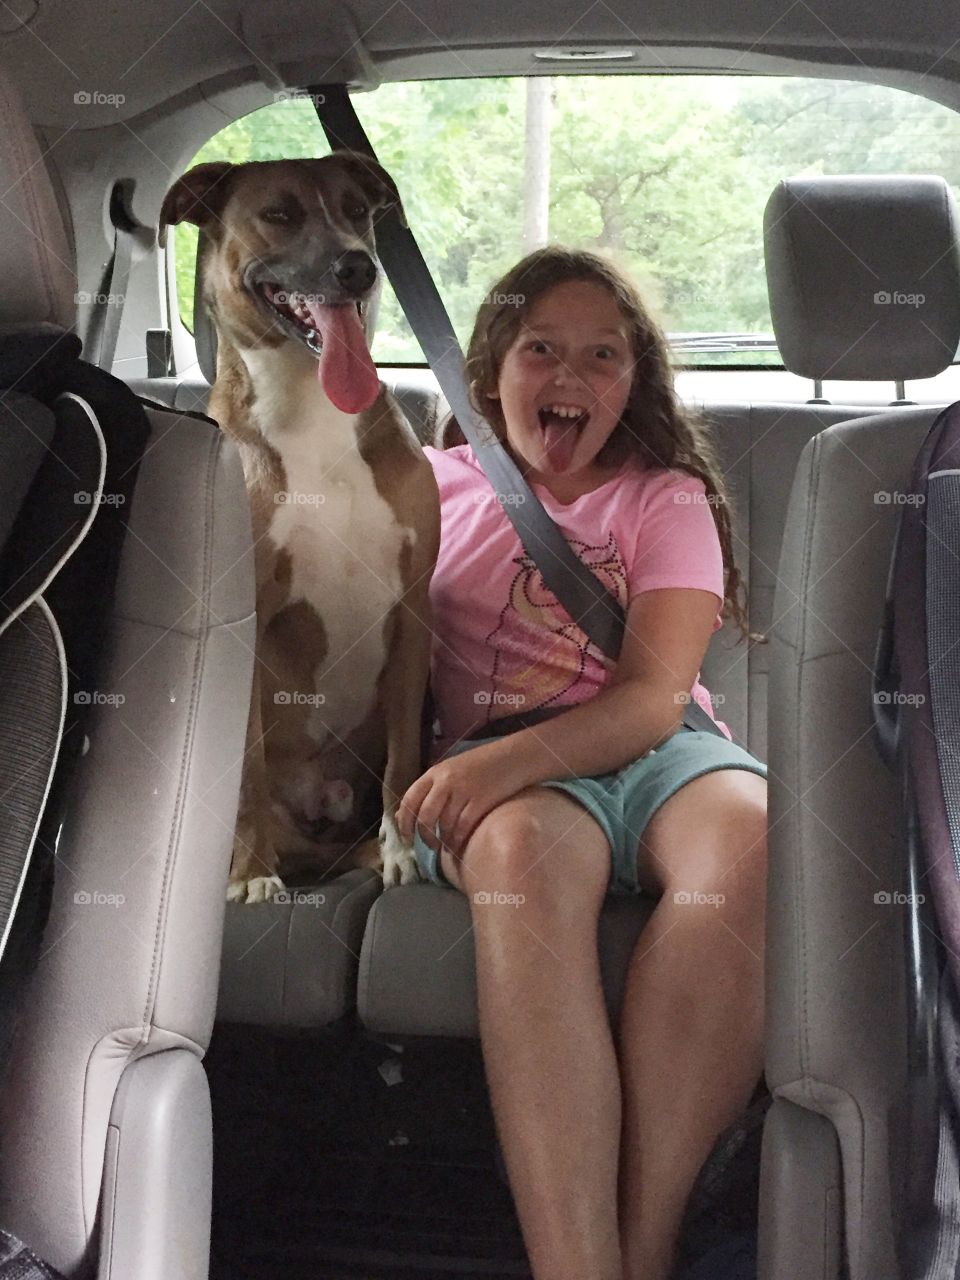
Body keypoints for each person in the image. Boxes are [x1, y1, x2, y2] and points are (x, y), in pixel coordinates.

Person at [396, 245, 768, 1280]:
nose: (571, 375)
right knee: (519, 855)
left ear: (631, 385)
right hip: (503, 761)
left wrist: (495, 768)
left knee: (758, 841)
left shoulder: (663, 498)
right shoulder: (429, 489)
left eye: (602, 355)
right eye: (540, 349)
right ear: (486, 378)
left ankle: (641, 1258)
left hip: (656, 746)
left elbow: (654, 698)